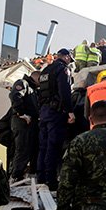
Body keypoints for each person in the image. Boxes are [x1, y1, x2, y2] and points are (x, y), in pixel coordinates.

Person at [37, 49, 75, 190]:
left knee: (43, 146)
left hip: (44, 112)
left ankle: (41, 177)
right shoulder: (62, 69)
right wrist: (70, 111)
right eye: (70, 59)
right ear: (66, 57)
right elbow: (65, 92)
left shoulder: (45, 71)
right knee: (54, 146)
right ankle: (51, 181)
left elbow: (40, 94)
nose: (69, 62)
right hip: (56, 112)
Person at [9, 70, 40, 181]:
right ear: (36, 78)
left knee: (29, 149)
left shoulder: (34, 90)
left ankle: (23, 174)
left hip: (30, 122)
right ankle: (16, 176)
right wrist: (21, 114)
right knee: (22, 149)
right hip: (22, 121)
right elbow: (15, 96)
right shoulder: (23, 83)